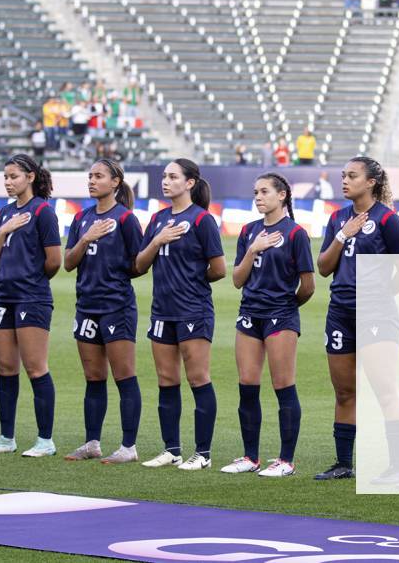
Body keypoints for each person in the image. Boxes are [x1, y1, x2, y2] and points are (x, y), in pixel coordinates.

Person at [315, 157, 399, 480]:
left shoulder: (388, 221)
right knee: (344, 392)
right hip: (339, 311)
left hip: (375, 313)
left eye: (352, 176)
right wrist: (343, 234)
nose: (344, 180)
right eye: (343, 175)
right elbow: (324, 267)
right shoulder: (338, 218)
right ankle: (343, 463)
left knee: (385, 390)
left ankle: (397, 465)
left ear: (371, 182)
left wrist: (381, 295)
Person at [136, 159, 226, 470]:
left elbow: (219, 269)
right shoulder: (158, 219)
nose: (166, 181)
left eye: (173, 177)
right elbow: (139, 264)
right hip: (162, 310)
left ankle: (203, 454)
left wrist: (190, 281)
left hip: (193, 310)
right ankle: (171, 449)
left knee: (198, 378)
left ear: (189, 183)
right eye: (164, 176)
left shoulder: (202, 221)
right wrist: (157, 241)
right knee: (166, 380)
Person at [223, 173, 315, 477]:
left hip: (280, 316)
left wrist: (287, 308)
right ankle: (250, 457)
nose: (258, 197)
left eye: (264, 192)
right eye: (255, 192)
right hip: (249, 313)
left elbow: (308, 286)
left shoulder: (295, 234)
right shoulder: (249, 231)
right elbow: (237, 280)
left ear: (282, 196)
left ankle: (286, 460)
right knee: (247, 385)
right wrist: (253, 250)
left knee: (283, 386)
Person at [0, 155, 61, 457]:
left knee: (36, 368)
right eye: (6, 177)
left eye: (14, 176)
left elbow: (54, 261)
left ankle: (45, 440)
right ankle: (6, 438)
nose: (8, 182)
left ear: (29, 177)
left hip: (32, 298)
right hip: (4, 296)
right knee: (6, 368)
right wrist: (3, 230)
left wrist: (31, 280)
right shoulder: (3, 214)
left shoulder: (43, 212)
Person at [63, 159, 145, 464]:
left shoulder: (125, 220)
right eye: (90, 176)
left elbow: (138, 264)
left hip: (116, 306)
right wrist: (86, 238)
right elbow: (68, 262)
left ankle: (128, 446)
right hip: (86, 306)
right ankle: (92, 442)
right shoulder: (82, 219)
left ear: (115, 182)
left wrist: (114, 272)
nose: (92, 180)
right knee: (93, 377)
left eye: (99, 176)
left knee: (124, 376)